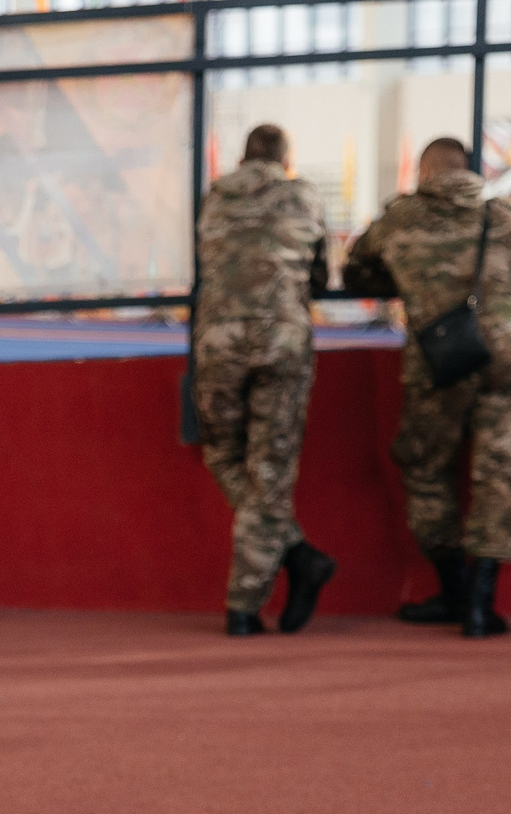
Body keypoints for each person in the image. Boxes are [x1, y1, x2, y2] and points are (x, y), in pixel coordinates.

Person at [344, 137, 511, 638]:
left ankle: (453, 588)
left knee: (425, 465)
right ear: (469, 171)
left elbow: (355, 273)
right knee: (496, 470)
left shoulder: (399, 219)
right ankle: (480, 604)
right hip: (503, 353)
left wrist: (409, 279)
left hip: (438, 358)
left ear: (425, 173)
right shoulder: (502, 213)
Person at [192, 124, 335, 636]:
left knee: (220, 453)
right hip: (282, 341)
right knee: (269, 470)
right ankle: (250, 599)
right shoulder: (304, 196)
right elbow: (320, 276)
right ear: (285, 160)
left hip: (219, 340)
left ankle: (297, 560)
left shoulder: (214, 196)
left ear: (242, 157)